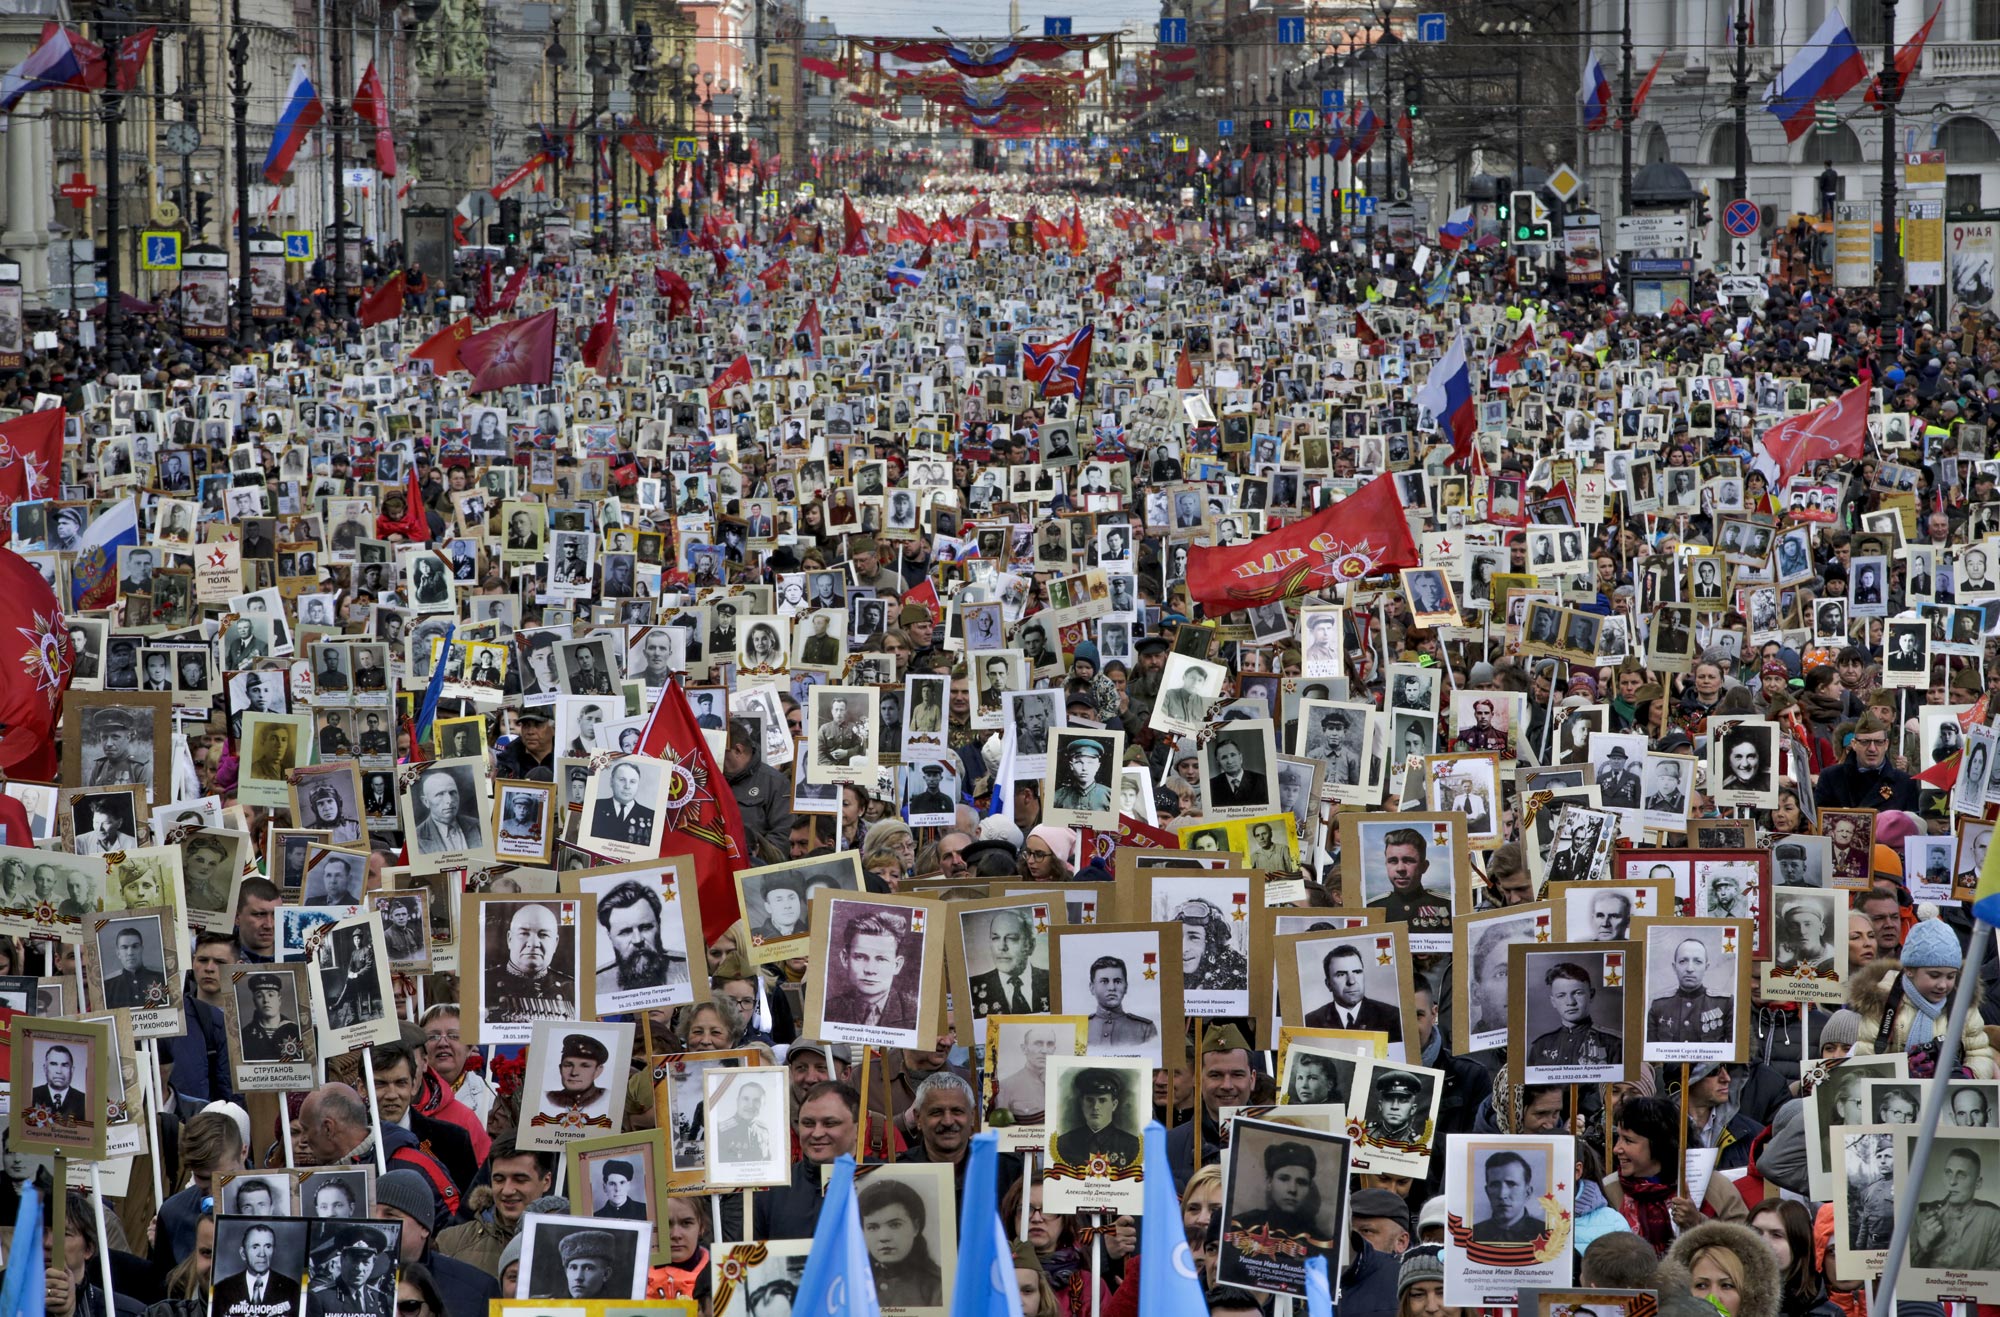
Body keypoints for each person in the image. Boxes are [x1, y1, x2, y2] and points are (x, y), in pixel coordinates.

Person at [823, 913, 915, 1030]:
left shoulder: (916, 1014)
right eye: (860, 957)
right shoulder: (827, 1011)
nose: (870, 970)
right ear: (845, 959)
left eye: (881, 959)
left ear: (897, 965)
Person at [1526, 961, 1621, 1068]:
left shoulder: (1615, 1044)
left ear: (1591, 995)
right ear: (1553, 1002)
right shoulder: (1540, 1046)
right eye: (1561, 995)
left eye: (1578, 993)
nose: (1570, 1002)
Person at [1302, 943, 1402, 1038]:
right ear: (1328, 984)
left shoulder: (1394, 1017)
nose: (1351, 981)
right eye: (1341, 974)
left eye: (1357, 972)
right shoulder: (1310, 1022)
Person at [1647, 937, 1733, 1044]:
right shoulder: (1658, 1006)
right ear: (1674, 967)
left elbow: (1734, 1052)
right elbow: (1650, 1053)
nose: (1690, 969)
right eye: (1683, 961)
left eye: (1698, 961)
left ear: (1706, 967)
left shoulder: (1724, 1004)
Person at [210, 1222, 304, 1317]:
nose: (262, 1254)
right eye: (255, 1247)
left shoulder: (292, 1289)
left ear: (273, 1251)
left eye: (268, 1246)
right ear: (243, 1253)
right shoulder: (221, 1290)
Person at [967, 909, 1049, 1017]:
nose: (1001, 947)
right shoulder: (970, 989)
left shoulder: (1053, 981)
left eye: (1011, 938)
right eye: (995, 938)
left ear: (1030, 945)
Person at [1053, 1068, 1139, 1168]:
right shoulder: (1062, 1144)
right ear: (1082, 1103)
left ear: (1114, 1105)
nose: (1095, 1107)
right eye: (1090, 1100)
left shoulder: (1132, 1146)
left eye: (1102, 1100)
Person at [1471, 1151, 1546, 1243]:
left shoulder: (1548, 1235)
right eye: (1495, 1185)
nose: (1502, 1195)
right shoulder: (1472, 1234)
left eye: (1511, 1184)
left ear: (1527, 1192)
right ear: (1487, 1192)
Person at [1084, 955, 1157, 1046]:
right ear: (1092, 988)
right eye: (1104, 981)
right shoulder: (1080, 1027)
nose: (1112, 988)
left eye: (1117, 981)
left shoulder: (1145, 1029)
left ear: (1126, 987)